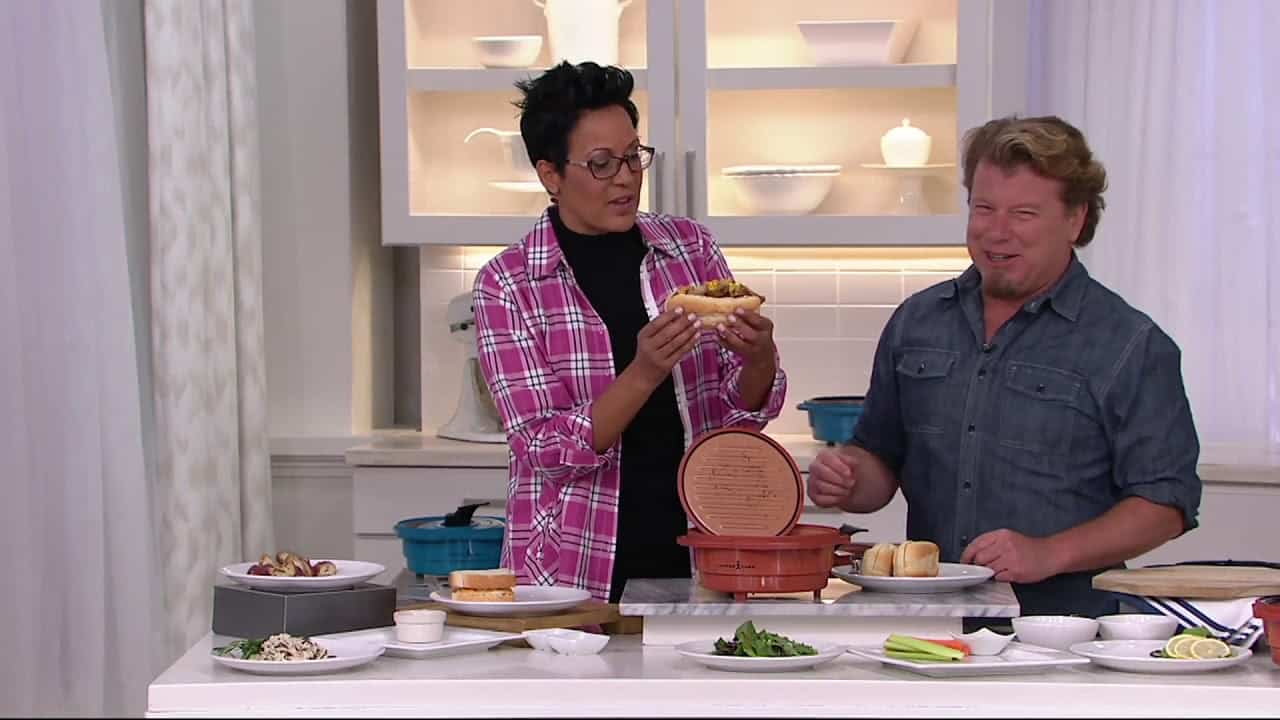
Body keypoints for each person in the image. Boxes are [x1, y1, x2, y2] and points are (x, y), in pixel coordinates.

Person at [806, 115, 1202, 618]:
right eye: (984, 208)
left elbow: (1166, 504)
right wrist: (848, 480)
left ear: (1075, 219)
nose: (997, 232)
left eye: (1023, 214)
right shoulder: (917, 322)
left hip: (1066, 631)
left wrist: (1048, 553)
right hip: (929, 626)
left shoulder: (1131, 344)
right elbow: (880, 459)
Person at [472, 62, 787, 603]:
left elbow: (739, 415)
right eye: (601, 163)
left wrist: (760, 357)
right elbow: (544, 448)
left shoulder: (689, 248)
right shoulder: (509, 284)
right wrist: (643, 373)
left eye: (633, 156)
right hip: (573, 567)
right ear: (550, 175)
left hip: (701, 553)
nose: (625, 178)